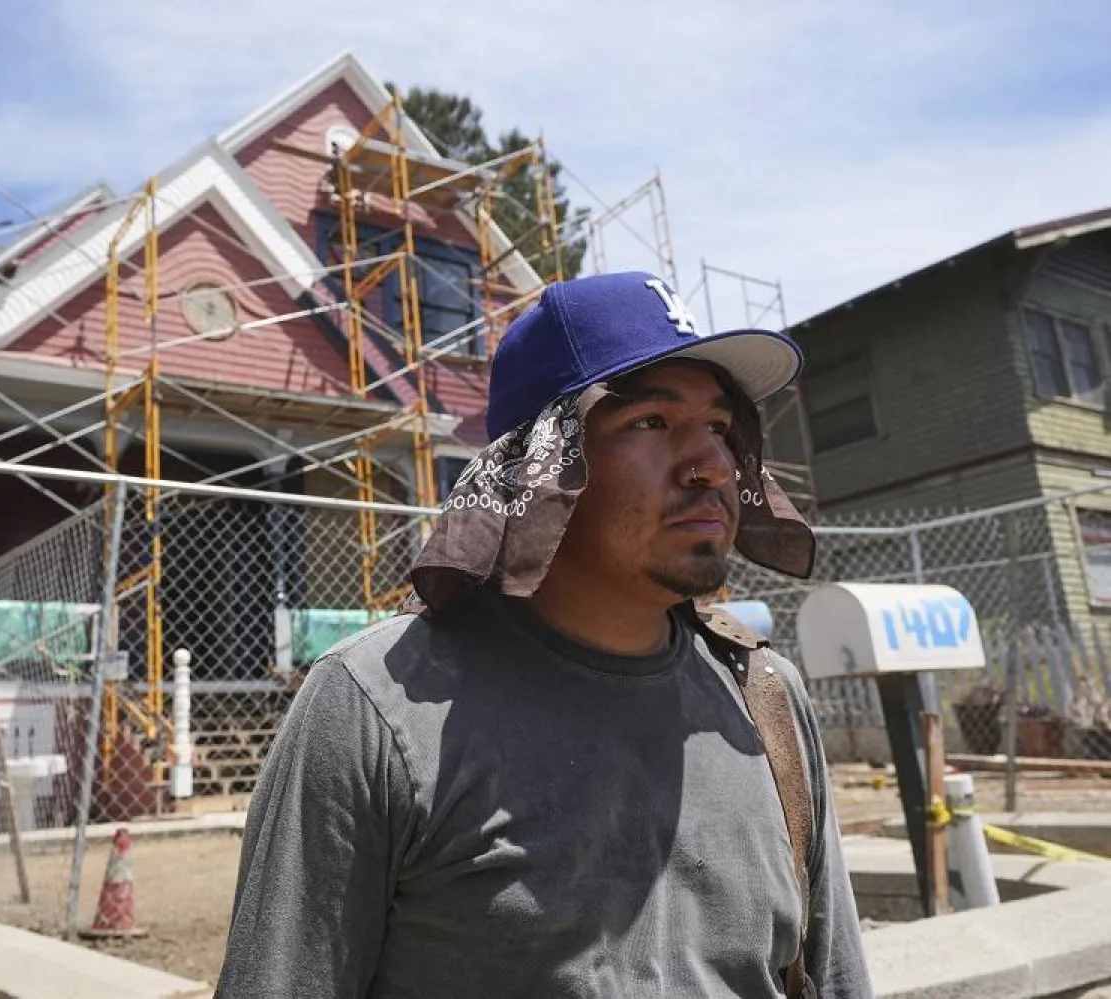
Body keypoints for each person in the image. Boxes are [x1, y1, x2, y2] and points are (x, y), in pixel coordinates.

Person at [215, 271, 873, 998]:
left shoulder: (767, 703)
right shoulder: (377, 709)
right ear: (543, 466)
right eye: (651, 421)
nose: (712, 464)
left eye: (720, 426)